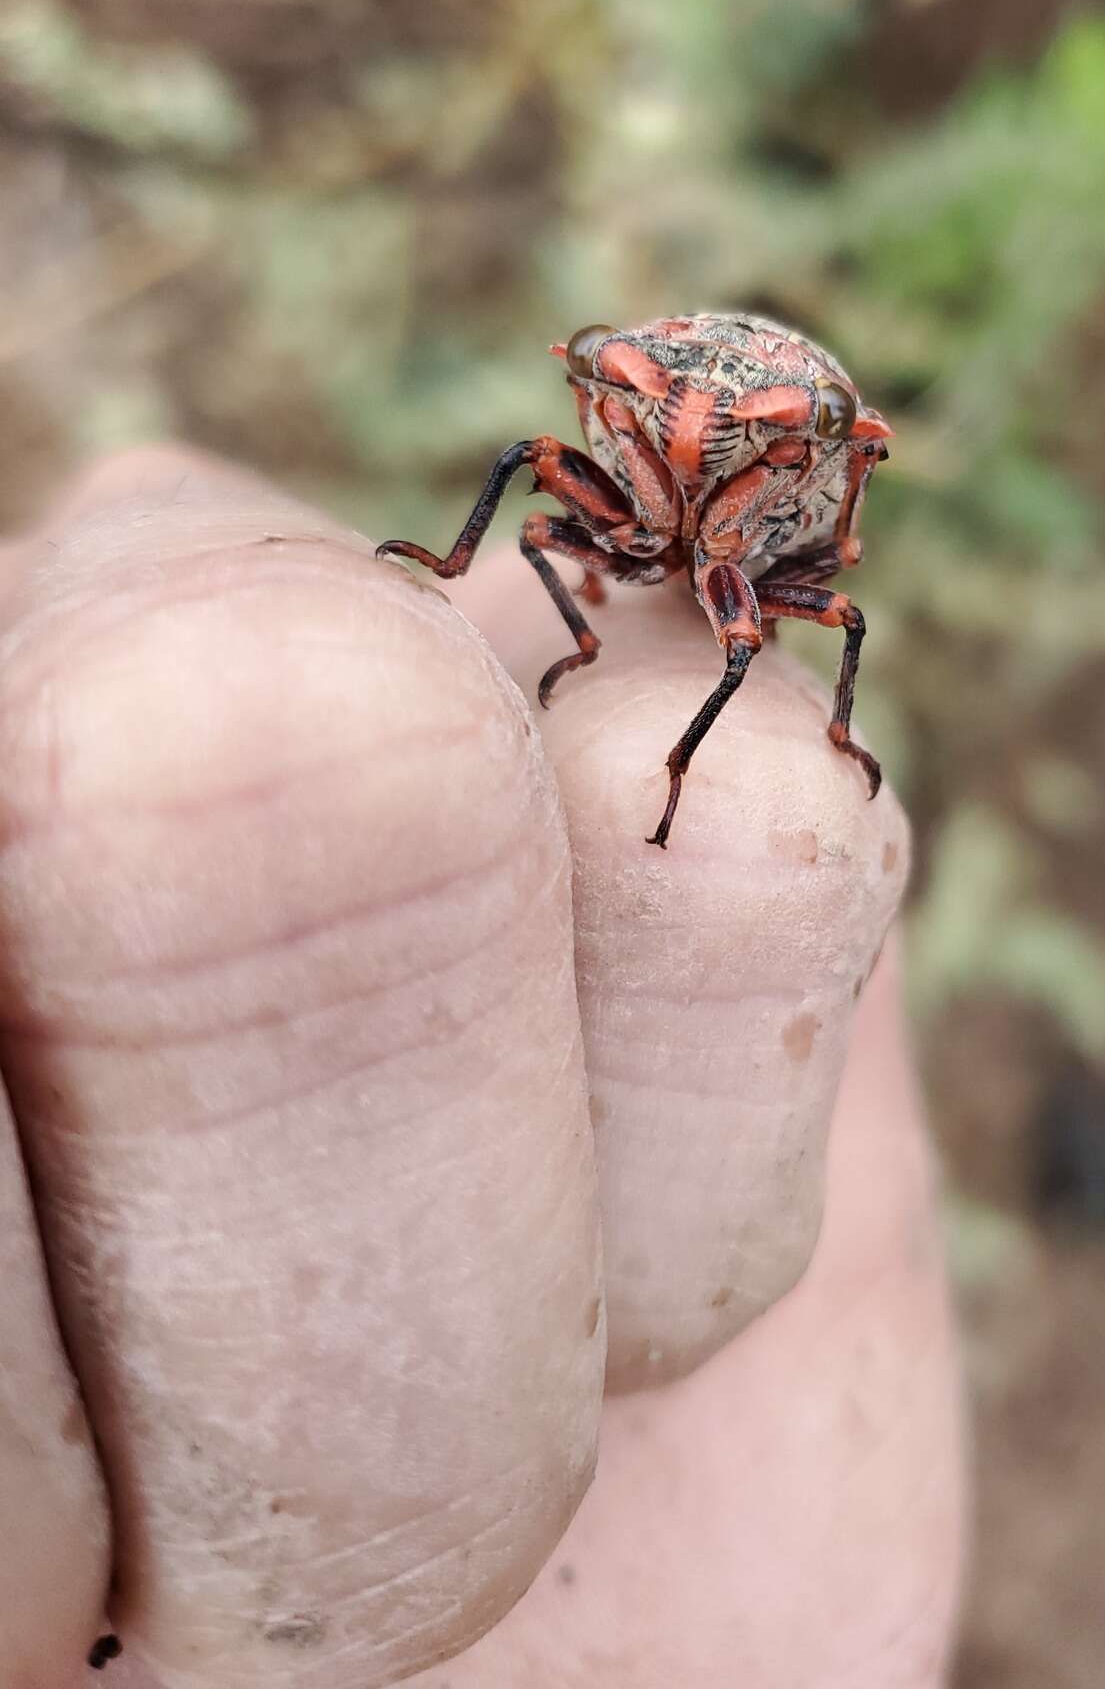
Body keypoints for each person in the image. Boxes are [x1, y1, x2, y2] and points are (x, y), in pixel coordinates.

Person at [0, 448, 967, 1689]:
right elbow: (545, 473)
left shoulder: (774, 492)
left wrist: (793, 711)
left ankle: (712, 743)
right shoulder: (614, 484)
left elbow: (835, 575)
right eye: (624, 415)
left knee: (747, 659)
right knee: (535, 522)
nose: (637, 443)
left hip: (765, 553)